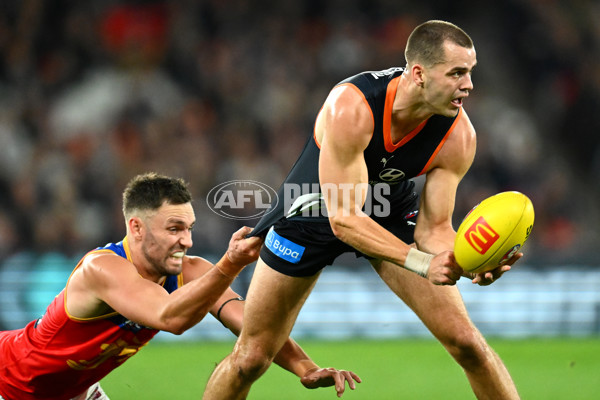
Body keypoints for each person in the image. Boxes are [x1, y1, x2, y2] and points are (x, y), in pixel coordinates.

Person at [202, 20, 521, 400]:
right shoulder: (352, 106)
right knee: (252, 357)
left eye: (470, 72)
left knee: (467, 342)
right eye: (457, 73)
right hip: (312, 211)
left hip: (388, 212)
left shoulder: (459, 136)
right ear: (418, 74)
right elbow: (343, 219)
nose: (468, 85)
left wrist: (471, 262)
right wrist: (421, 263)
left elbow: (434, 230)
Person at [0, 172, 360, 400]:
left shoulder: (191, 271)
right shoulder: (102, 268)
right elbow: (170, 317)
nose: (186, 241)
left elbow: (253, 327)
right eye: (174, 229)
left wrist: (305, 368)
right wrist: (231, 262)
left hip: (76, 392)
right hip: (9, 384)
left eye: (189, 228)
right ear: (137, 228)